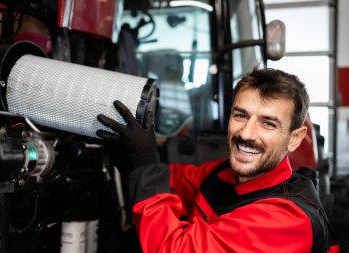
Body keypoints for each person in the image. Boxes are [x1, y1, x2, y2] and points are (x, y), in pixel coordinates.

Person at [96, 68, 339, 253]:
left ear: (294, 138)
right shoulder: (224, 173)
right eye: (240, 115)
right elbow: (174, 181)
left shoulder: (287, 219)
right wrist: (132, 164)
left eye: (268, 123)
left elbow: (175, 249)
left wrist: (145, 162)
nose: (246, 134)